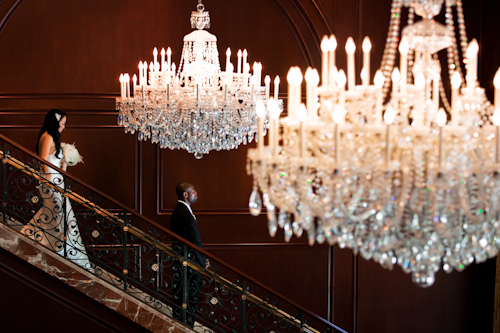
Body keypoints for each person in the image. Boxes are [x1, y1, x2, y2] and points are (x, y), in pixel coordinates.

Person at [20, 109, 91, 271]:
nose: (64, 127)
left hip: (57, 182)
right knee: (59, 213)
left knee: (59, 214)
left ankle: (44, 241)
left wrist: (65, 160)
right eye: (63, 123)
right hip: (50, 183)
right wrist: (50, 181)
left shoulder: (53, 139)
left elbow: (59, 168)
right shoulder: (47, 137)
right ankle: (57, 249)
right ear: (55, 122)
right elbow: (43, 160)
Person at [170, 182, 208, 328]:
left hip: (188, 261)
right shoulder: (183, 213)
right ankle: (186, 325)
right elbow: (194, 241)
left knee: (186, 295)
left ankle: (184, 323)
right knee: (190, 296)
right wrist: (203, 261)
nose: (196, 193)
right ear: (185, 195)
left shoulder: (182, 210)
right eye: (193, 191)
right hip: (190, 263)